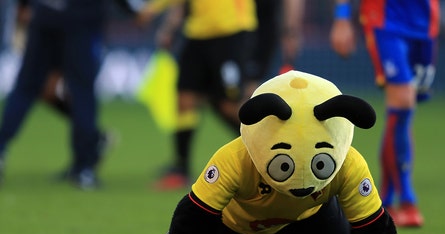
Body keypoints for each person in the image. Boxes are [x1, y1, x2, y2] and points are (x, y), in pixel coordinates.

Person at [141, 70, 421, 234]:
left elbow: (374, 226)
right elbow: (194, 216)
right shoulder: (235, 158)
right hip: (243, 225)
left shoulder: (349, 162)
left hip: (312, 216)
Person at [330, 0, 445, 227]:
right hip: (384, 20)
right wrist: (342, 18)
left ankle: (384, 202)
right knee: (403, 103)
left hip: (425, 26)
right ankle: (408, 201)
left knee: (404, 113)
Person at [136, 0, 258, 191]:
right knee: (184, 99)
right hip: (197, 33)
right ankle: (181, 168)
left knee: (228, 104)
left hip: (230, 31)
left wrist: (151, 9)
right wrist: (169, 27)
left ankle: (262, 151)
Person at [0, 0, 109, 190]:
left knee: (25, 88)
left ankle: (1, 146)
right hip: (80, 18)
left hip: (46, 13)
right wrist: (133, 11)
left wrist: (24, 6)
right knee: (81, 91)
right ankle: (84, 168)